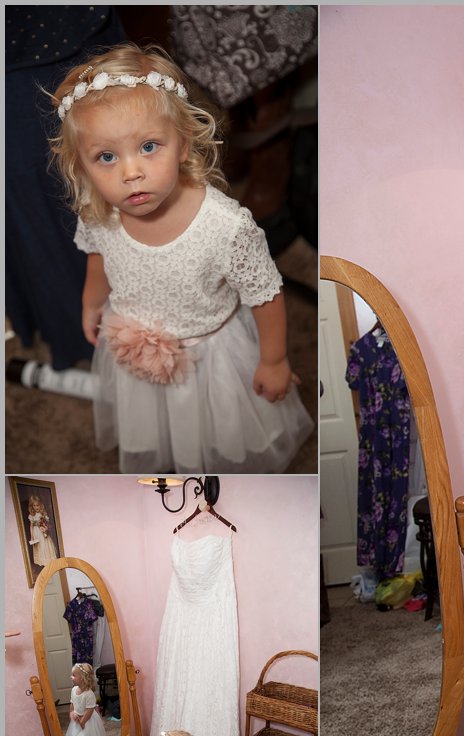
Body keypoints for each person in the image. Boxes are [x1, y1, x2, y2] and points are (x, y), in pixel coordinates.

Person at [46, 42, 313, 474]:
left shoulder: (226, 226)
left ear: (184, 144)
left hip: (211, 357)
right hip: (136, 346)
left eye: (149, 146)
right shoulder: (100, 212)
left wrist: (274, 359)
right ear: (82, 166)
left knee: (218, 435)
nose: (131, 172)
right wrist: (92, 301)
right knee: (158, 426)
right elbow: (98, 255)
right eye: (106, 157)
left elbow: (265, 294)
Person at [64, 662, 112, 736]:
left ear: (82, 678)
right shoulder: (73, 690)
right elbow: (72, 703)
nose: (71, 677)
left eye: (74, 675)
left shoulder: (89, 694)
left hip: (89, 720)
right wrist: (72, 713)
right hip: (78, 718)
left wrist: (82, 722)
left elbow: (90, 710)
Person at [27, 495, 58, 568]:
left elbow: (47, 523)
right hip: (36, 534)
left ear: (40, 505)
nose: (36, 507)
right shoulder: (32, 515)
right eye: (34, 505)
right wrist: (32, 537)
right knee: (39, 547)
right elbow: (31, 526)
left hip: (43, 533)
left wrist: (45, 528)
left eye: (37, 505)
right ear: (32, 506)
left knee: (45, 545)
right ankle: (43, 563)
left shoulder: (43, 514)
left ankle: (48, 562)